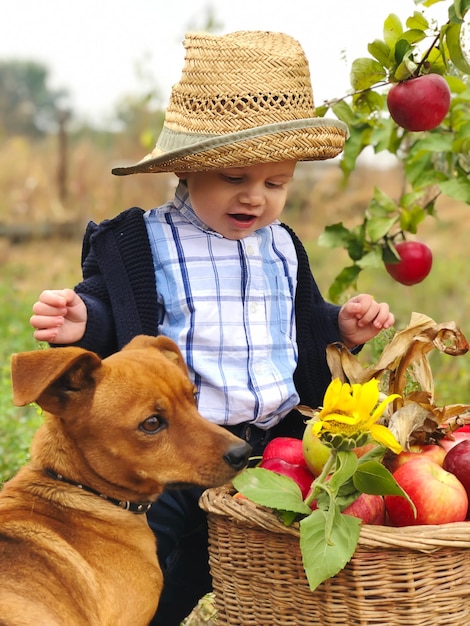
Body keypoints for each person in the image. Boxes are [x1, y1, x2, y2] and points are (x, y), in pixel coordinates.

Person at [30, 31, 394, 625]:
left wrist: (341, 324)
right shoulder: (143, 241)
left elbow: (303, 321)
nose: (256, 197)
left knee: (230, 558)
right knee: (161, 562)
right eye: (234, 179)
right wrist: (82, 321)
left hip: (267, 441)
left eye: (276, 184)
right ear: (190, 169)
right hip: (171, 445)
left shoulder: (282, 246)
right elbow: (107, 308)